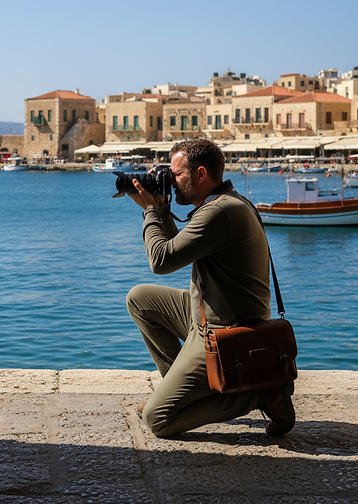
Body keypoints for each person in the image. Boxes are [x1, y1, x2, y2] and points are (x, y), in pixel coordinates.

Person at [125, 139, 295, 438]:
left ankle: (257, 394)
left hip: (224, 331)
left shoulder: (219, 212)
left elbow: (162, 259)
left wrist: (152, 212)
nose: (171, 182)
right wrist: (162, 210)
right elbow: (179, 248)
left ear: (200, 174)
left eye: (176, 175)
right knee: (141, 299)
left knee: (159, 420)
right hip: (205, 314)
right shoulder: (225, 202)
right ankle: (180, 391)